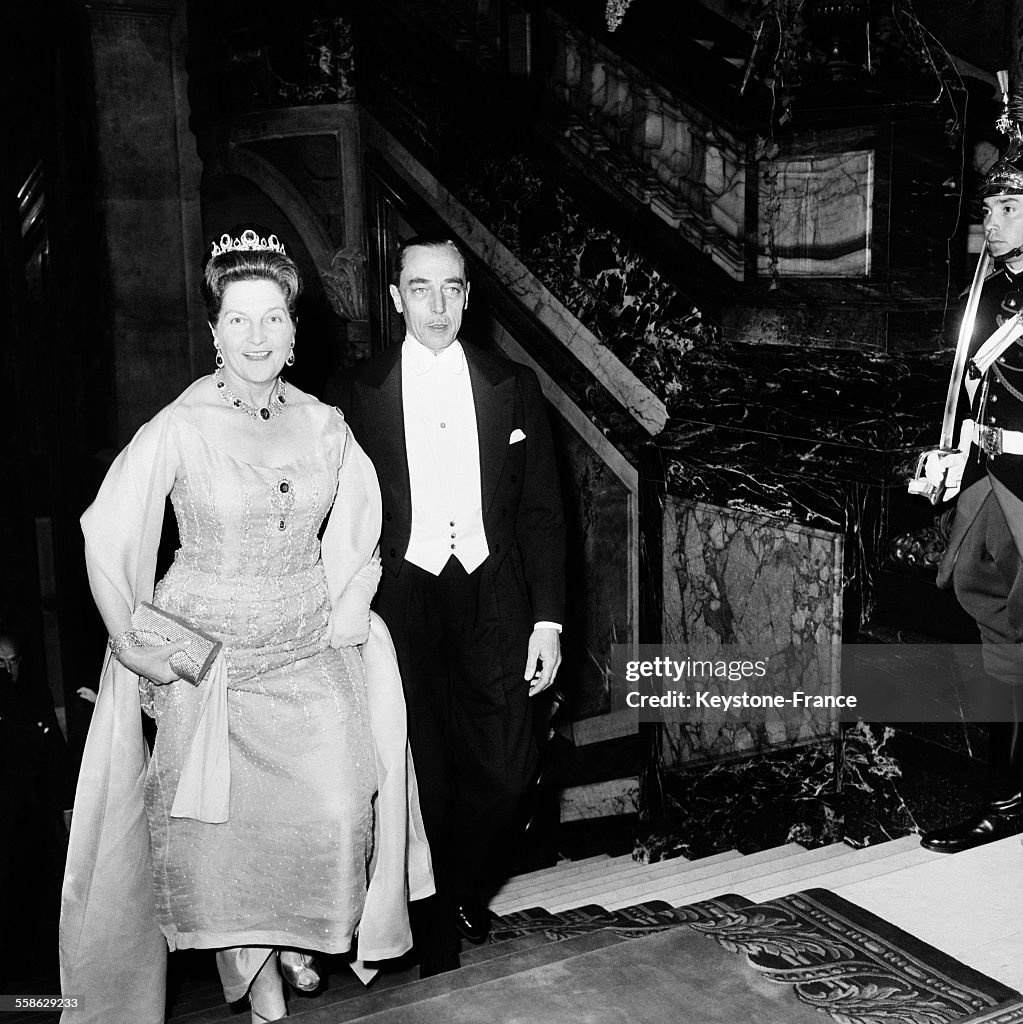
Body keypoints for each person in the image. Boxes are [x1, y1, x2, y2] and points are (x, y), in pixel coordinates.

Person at [60, 229, 432, 1024]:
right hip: (213, 660)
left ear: (295, 330)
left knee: (339, 807)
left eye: (272, 319)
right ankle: (260, 981)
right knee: (223, 839)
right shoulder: (180, 426)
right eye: (238, 320)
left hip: (305, 650)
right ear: (214, 331)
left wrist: (344, 606)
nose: (256, 337)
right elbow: (106, 529)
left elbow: (360, 525)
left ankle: (297, 930)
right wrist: (135, 640)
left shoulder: (327, 424)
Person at [327, 236, 565, 975]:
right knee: (420, 773)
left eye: (451, 288)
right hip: (399, 601)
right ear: (394, 297)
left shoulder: (513, 385)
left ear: (468, 295)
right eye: (419, 288)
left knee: (507, 769)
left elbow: (542, 513)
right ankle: (435, 952)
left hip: (492, 592)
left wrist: (547, 621)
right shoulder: (353, 394)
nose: (436, 305)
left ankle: (454, 886)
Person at [921, 145, 1023, 852]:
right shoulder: (994, 289)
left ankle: (1009, 796)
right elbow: (973, 383)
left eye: (1009, 209)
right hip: (990, 476)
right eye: (989, 209)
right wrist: (950, 454)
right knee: (977, 592)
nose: (991, 221)